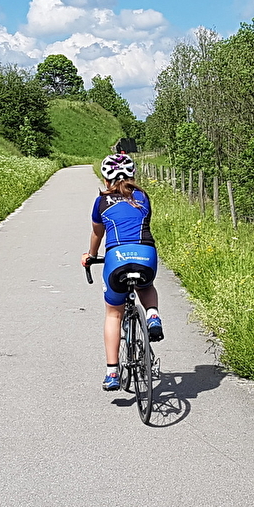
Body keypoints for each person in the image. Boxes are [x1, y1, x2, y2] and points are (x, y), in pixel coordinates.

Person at [81, 153, 163, 391]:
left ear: (106, 180)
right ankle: (153, 315)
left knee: (113, 314)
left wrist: (90, 255)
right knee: (145, 285)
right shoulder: (143, 197)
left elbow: (97, 234)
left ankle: (112, 372)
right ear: (133, 176)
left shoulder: (101, 202)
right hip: (146, 255)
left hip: (117, 258)